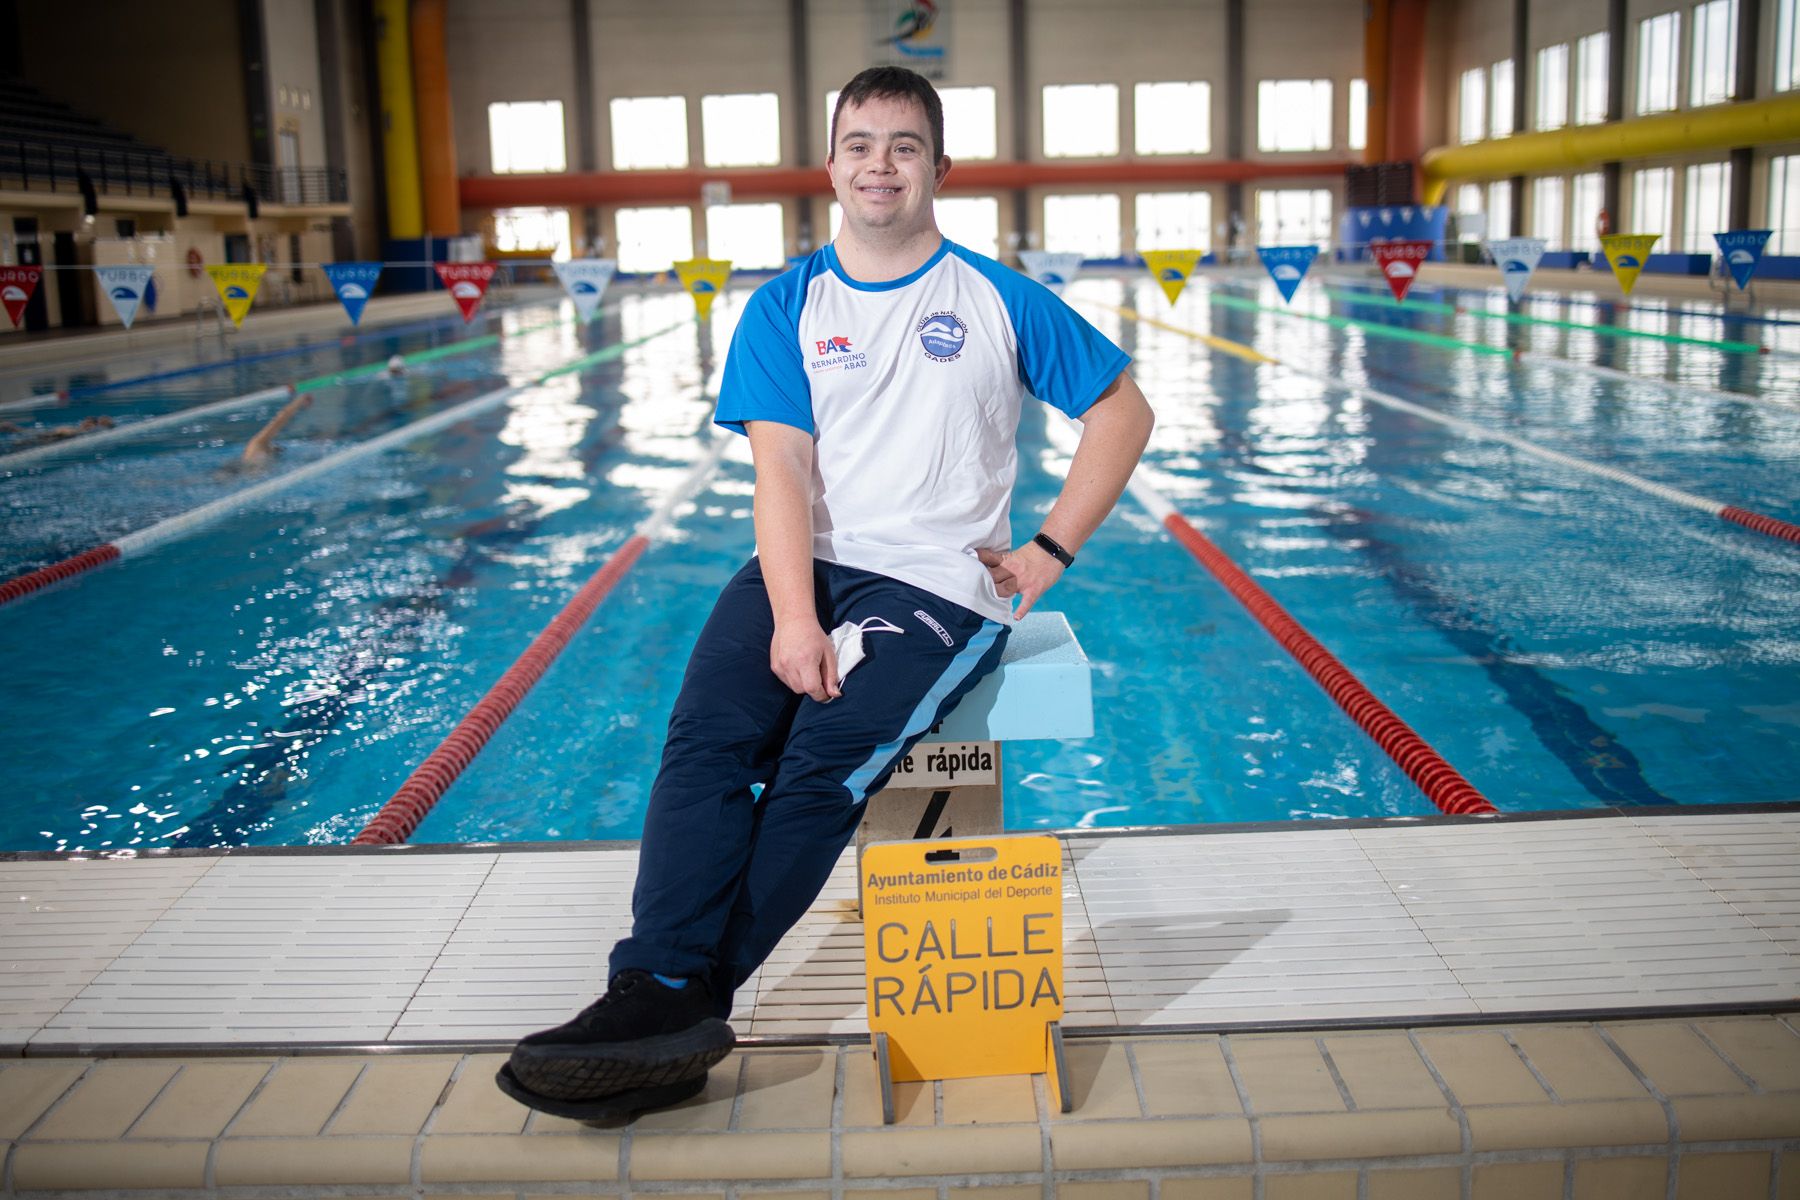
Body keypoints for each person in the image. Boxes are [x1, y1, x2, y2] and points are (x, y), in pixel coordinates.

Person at [498, 66, 1155, 1120]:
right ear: (832, 164)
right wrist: (796, 616)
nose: (880, 164)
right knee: (706, 742)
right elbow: (782, 472)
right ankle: (656, 989)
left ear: (939, 167)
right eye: (860, 144)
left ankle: (673, 1007)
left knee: (816, 775)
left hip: (938, 588)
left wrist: (1049, 550)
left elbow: (1123, 411)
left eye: (904, 145)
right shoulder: (785, 305)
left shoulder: (996, 298)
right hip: (800, 566)